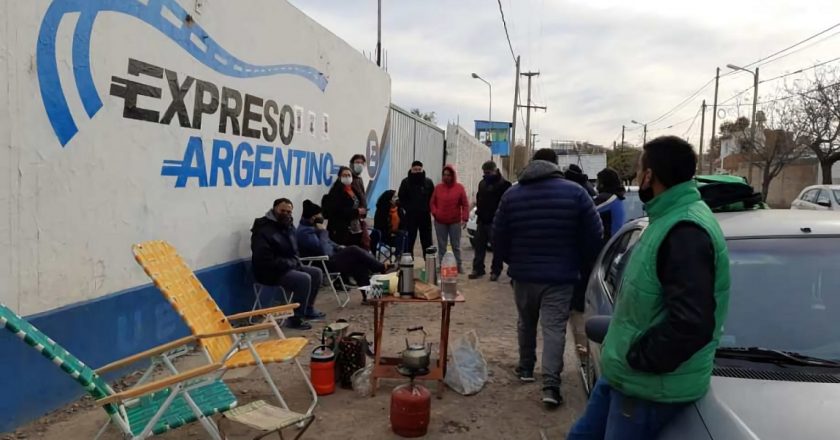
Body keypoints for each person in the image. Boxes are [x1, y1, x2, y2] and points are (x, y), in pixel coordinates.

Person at [569, 136, 730, 439]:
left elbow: (692, 323)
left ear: (649, 175)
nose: (637, 173)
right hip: (624, 376)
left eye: (640, 167)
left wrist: (637, 358)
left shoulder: (685, 231)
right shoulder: (664, 220)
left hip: (647, 389)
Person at [493, 148, 603, 408]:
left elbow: (497, 237)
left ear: (532, 164)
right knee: (554, 328)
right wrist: (578, 260)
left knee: (525, 322)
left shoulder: (512, 194)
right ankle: (551, 385)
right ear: (556, 165)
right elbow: (595, 233)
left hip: (523, 275)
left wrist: (514, 260)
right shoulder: (576, 193)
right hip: (560, 276)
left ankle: (526, 369)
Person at [250, 198, 325, 330]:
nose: (285, 213)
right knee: (303, 279)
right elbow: (265, 259)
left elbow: (294, 251)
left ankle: (308, 309)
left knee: (316, 273)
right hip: (269, 272)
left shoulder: (289, 226)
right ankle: (295, 319)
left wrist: (293, 262)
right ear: (274, 209)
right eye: (282, 210)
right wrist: (291, 263)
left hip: (287, 266)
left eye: (289, 211)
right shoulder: (263, 230)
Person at [296, 200, 390, 305]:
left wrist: (340, 247)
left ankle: (371, 296)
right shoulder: (305, 233)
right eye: (319, 215)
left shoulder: (313, 228)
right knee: (354, 249)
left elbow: (331, 244)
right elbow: (325, 251)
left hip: (331, 259)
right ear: (313, 217)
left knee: (358, 262)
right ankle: (380, 267)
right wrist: (323, 232)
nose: (322, 217)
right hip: (322, 263)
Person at [469, 161, 511, 281]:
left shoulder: (504, 185)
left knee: (497, 248)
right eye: (484, 173)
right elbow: (479, 199)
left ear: (495, 170)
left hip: (496, 221)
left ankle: (496, 271)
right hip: (482, 220)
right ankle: (478, 269)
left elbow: (506, 204)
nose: (486, 174)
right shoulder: (482, 184)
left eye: (488, 172)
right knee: (479, 246)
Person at [430, 165, 469, 273]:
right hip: (440, 221)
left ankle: (458, 265)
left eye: (449, 175)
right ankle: (442, 265)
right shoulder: (438, 188)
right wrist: (435, 213)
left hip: (454, 222)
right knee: (441, 245)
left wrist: (465, 218)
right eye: (444, 175)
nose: (446, 177)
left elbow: (465, 204)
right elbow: (432, 202)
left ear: (453, 176)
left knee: (455, 245)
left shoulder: (459, 188)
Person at [398, 161, 435, 257]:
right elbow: (401, 198)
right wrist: (408, 208)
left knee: (427, 242)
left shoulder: (428, 182)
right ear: (411, 169)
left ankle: (429, 264)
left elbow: (433, 198)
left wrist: (429, 209)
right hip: (410, 217)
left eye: (419, 169)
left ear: (422, 170)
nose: (417, 172)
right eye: (415, 170)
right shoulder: (405, 182)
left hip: (425, 216)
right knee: (409, 241)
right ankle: (408, 264)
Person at [324, 166, 366, 248]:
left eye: (349, 175)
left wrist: (362, 211)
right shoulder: (335, 192)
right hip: (341, 229)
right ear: (339, 177)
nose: (347, 177)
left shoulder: (354, 190)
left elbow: (358, 203)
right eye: (344, 175)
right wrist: (356, 211)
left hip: (355, 228)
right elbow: (337, 211)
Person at [594, 168, 627, 242]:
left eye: (598, 181)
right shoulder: (617, 197)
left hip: (609, 245)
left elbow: (588, 209)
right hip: (617, 243)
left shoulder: (607, 198)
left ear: (603, 183)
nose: (596, 185)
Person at [373, 190, 407, 255]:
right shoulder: (381, 211)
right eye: (394, 197)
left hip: (397, 235)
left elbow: (404, 224)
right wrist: (391, 232)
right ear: (389, 200)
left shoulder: (399, 209)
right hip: (384, 236)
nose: (397, 198)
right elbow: (379, 226)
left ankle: (400, 257)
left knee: (403, 236)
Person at [348, 154, 371, 250]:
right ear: (352, 164)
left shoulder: (359, 179)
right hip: (351, 219)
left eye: (362, 163)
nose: (359, 165)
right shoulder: (349, 179)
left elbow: (362, 197)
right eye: (357, 162)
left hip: (360, 218)